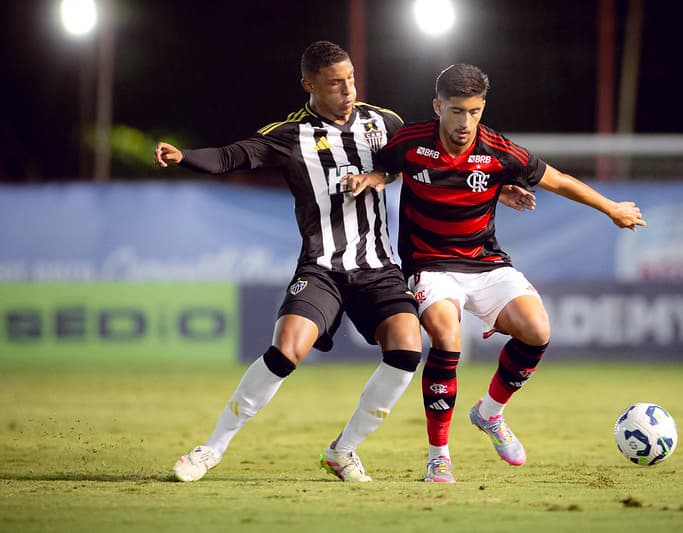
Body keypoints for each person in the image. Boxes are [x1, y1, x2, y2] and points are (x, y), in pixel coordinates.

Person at [153, 41, 424, 483]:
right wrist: (183, 156)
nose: (348, 89)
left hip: (377, 267)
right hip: (322, 268)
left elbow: (413, 161)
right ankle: (211, 449)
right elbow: (229, 157)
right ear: (309, 85)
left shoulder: (384, 121)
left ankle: (344, 450)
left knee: (407, 351)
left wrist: (379, 176)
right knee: (286, 350)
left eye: (351, 78)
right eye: (336, 83)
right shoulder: (288, 135)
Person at [362, 63, 646, 483]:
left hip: (484, 261)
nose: (465, 122)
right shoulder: (410, 142)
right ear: (438, 106)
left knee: (538, 329)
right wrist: (376, 175)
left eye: (474, 112)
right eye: (456, 111)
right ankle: (438, 455)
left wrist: (612, 209)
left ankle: (489, 413)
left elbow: (560, 181)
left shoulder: (498, 151)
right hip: (430, 264)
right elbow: (385, 164)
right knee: (445, 335)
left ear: (483, 108)